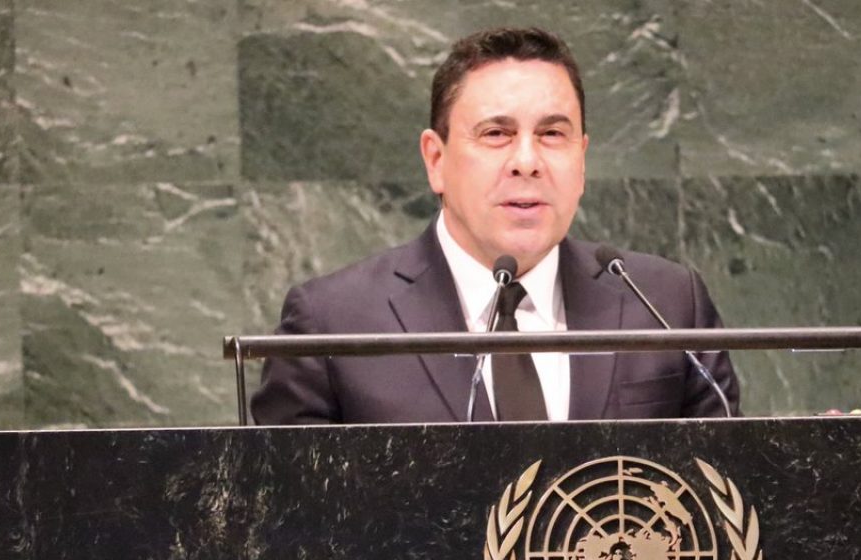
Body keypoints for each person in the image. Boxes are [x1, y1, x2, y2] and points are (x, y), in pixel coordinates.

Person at [251, 27, 738, 424]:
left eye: (552, 134)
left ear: (582, 159)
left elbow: (727, 492)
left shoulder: (666, 304)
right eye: (496, 134)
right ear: (436, 159)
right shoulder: (332, 326)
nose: (527, 161)